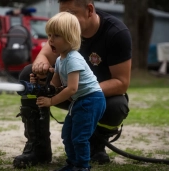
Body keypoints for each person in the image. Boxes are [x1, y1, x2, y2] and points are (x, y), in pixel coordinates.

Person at [14, 0, 132, 169]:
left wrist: (76, 91)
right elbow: (44, 55)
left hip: (93, 96)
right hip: (68, 90)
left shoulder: (116, 33)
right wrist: (41, 67)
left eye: (71, 13)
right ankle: (38, 148)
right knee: (28, 73)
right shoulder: (63, 30)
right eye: (62, 13)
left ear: (89, 10)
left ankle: (95, 146)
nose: (65, 18)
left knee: (117, 106)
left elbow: (121, 83)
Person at [31, 12, 106, 171]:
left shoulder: (73, 59)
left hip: (91, 100)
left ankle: (82, 166)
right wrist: (40, 81)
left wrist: (51, 102)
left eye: (56, 35)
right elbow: (53, 86)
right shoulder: (60, 60)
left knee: (80, 137)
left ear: (70, 38)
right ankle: (72, 164)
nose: (50, 39)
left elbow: (72, 88)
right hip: (80, 101)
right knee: (67, 135)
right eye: (49, 35)